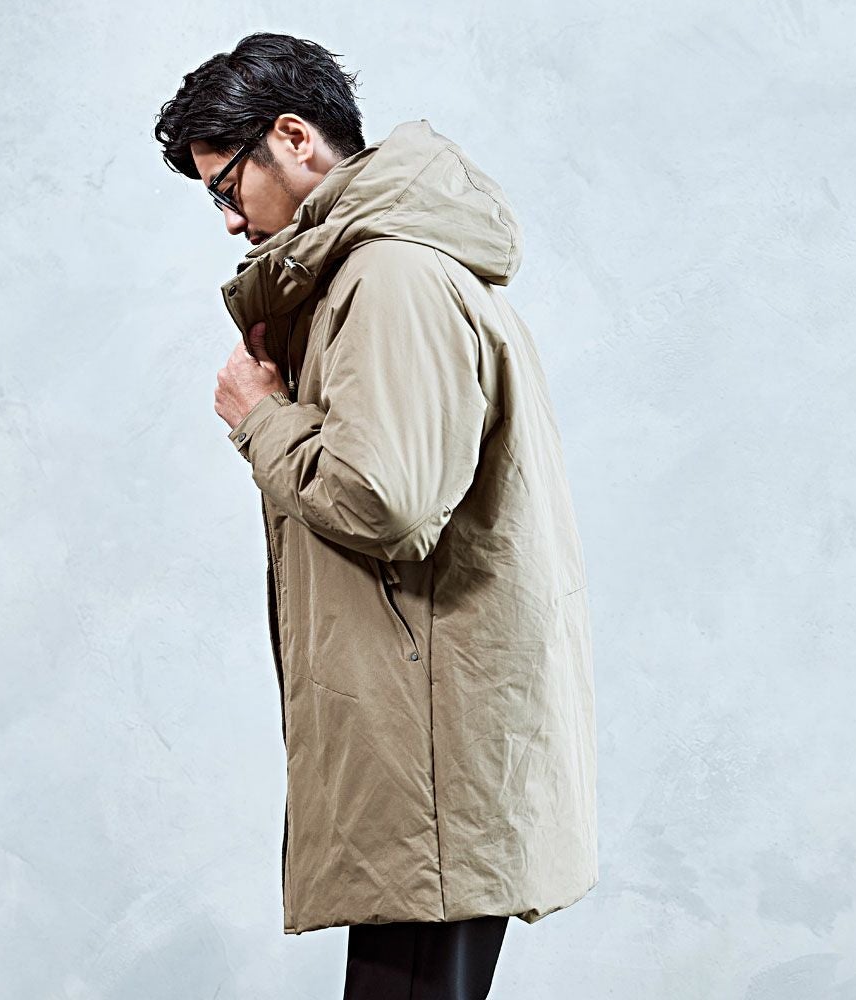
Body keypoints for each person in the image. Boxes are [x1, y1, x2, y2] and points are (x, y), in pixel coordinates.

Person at [154, 31, 598, 1000]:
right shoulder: (378, 271)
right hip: (427, 736)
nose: (227, 220)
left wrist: (260, 418)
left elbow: (386, 501)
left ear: (293, 137)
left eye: (226, 185)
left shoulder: (389, 277)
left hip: (428, 747)